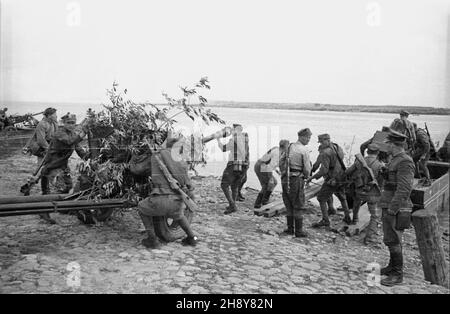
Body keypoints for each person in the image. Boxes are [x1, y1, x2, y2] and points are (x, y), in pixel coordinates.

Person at [137, 135, 198, 249]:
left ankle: (152, 239)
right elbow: (189, 186)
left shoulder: (156, 156)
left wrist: (135, 158)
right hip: (177, 200)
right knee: (179, 215)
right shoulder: (181, 161)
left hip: (160, 199)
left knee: (141, 207)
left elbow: (137, 169)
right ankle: (192, 237)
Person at [379, 129, 415, 286]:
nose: (387, 147)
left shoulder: (405, 161)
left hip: (395, 207)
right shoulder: (395, 159)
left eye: (389, 144)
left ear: (395, 145)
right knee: (391, 238)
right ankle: (391, 267)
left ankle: (397, 274)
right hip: (388, 203)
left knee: (394, 239)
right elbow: (394, 182)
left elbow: (404, 189)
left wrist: (393, 210)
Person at [38, 113, 89, 223]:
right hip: (53, 164)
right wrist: (83, 132)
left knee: (68, 186)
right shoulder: (60, 133)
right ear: (63, 123)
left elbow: (78, 148)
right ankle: (44, 212)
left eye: (73, 123)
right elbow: (71, 141)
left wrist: (87, 156)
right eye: (69, 123)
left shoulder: (72, 134)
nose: (71, 125)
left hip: (62, 165)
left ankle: (61, 208)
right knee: (54, 190)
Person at [307, 134, 352, 227]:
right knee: (342, 196)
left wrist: (311, 177)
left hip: (333, 179)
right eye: (320, 142)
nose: (321, 144)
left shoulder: (325, 152)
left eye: (322, 142)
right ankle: (347, 216)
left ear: (327, 140)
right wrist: (313, 169)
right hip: (342, 176)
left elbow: (324, 170)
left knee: (321, 198)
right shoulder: (337, 147)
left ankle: (325, 220)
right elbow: (319, 162)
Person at [344, 144, 384, 245]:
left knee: (357, 201)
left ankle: (355, 219)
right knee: (374, 215)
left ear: (367, 151)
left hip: (359, 190)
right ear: (378, 153)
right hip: (371, 194)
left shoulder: (359, 161)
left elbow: (347, 172)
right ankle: (369, 237)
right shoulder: (379, 165)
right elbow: (382, 182)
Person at [279, 128, 312, 237]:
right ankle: (298, 231)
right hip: (297, 180)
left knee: (288, 204)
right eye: (308, 138)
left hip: (285, 179)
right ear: (302, 137)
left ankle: (290, 229)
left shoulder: (289, 147)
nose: (309, 140)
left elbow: (281, 162)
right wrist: (307, 177)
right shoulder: (304, 150)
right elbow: (307, 169)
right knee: (298, 204)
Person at [217, 124, 250, 214]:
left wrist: (218, 140)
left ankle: (232, 205)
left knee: (224, 185)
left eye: (232, 130)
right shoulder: (245, 140)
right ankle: (233, 204)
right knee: (234, 186)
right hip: (243, 166)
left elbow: (223, 148)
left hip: (234, 165)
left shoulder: (234, 139)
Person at [253, 140, 288, 209]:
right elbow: (269, 166)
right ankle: (257, 204)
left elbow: (269, 162)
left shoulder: (278, 150)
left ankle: (265, 200)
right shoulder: (277, 153)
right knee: (266, 185)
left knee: (274, 182)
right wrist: (270, 178)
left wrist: (277, 171)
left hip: (262, 165)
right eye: (288, 146)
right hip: (261, 166)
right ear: (285, 147)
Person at [311, 144, 337, 215]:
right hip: (334, 177)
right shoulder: (333, 154)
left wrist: (311, 175)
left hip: (329, 178)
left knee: (321, 197)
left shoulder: (323, 155)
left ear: (321, 150)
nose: (319, 153)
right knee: (329, 193)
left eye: (319, 151)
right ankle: (331, 208)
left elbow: (319, 168)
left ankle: (325, 219)